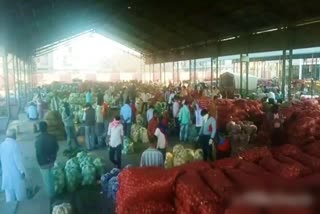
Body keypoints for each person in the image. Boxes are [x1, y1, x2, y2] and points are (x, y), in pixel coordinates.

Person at [0, 129, 27, 202]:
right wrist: (22, 172)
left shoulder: (1, 145)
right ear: (14, 135)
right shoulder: (15, 145)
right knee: (21, 198)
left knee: (9, 200)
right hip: (16, 176)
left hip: (6, 176)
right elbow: (18, 161)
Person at [35, 121, 59, 199]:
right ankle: (53, 193)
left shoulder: (38, 139)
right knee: (51, 178)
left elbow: (38, 152)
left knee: (47, 180)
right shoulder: (52, 137)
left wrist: (40, 162)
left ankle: (51, 197)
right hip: (52, 161)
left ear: (39, 129)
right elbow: (57, 148)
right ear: (47, 128)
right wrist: (52, 157)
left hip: (43, 163)